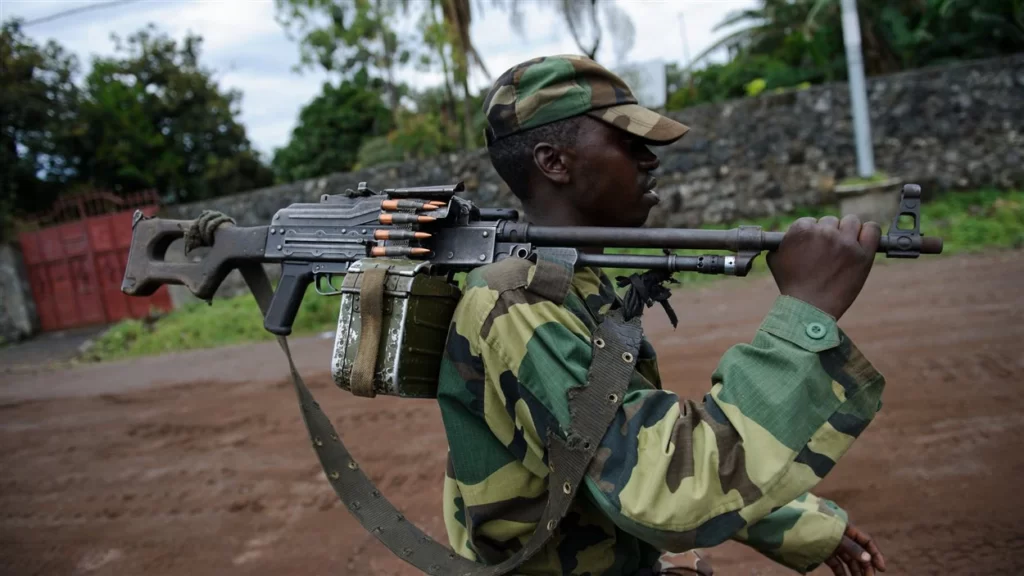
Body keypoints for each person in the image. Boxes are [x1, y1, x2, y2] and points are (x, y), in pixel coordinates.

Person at [435, 54, 889, 576]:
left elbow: (617, 446)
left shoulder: (566, 285)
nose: (650, 160)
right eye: (630, 143)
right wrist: (806, 312)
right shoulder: (515, 303)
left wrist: (803, 526)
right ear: (554, 161)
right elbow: (661, 487)